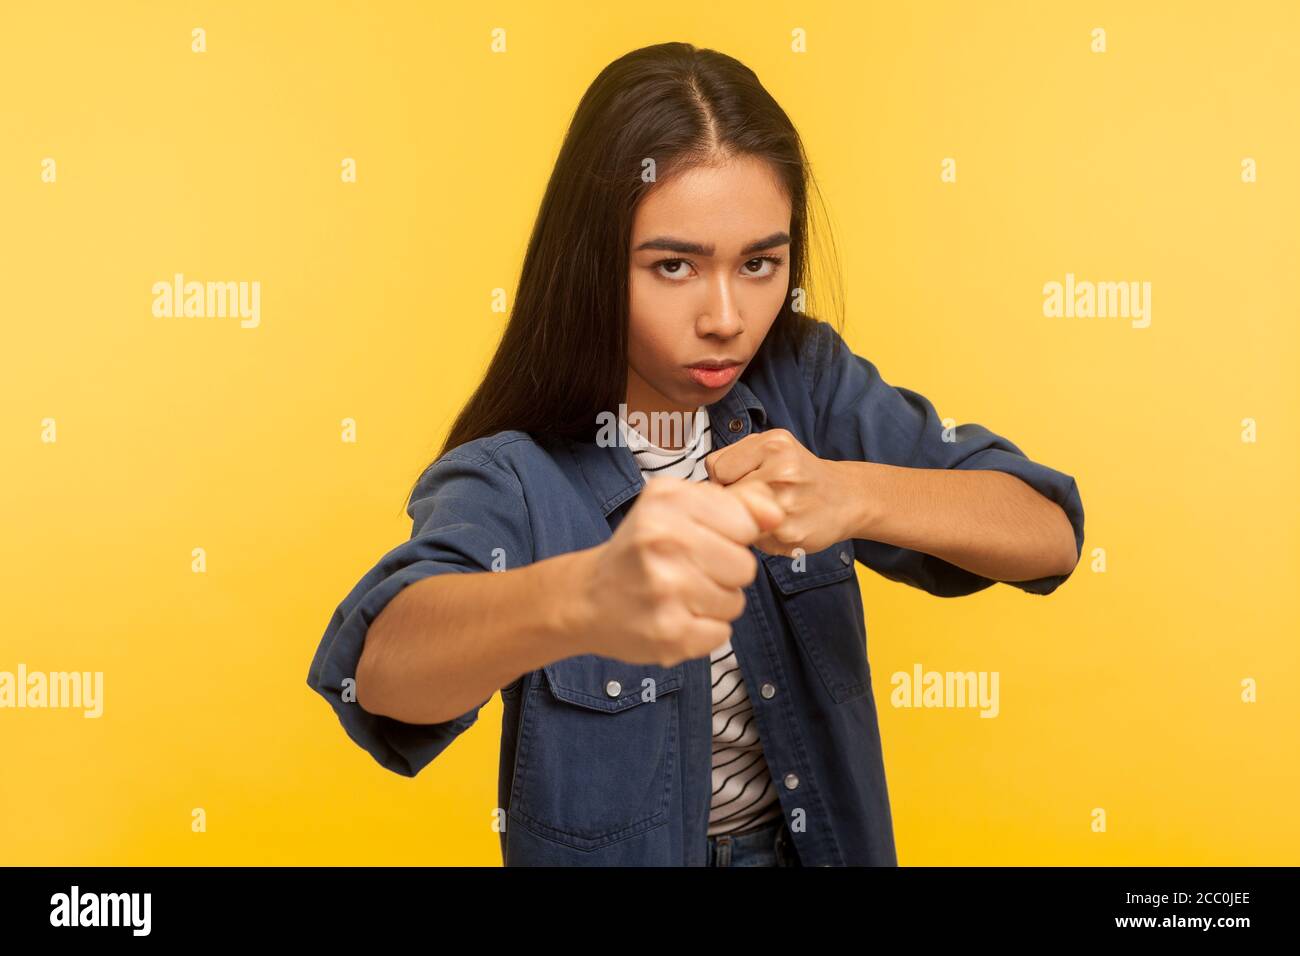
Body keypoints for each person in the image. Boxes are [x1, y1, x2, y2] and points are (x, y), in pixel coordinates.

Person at [305, 41, 1085, 867]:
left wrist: (854, 493)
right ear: (594, 266)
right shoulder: (515, 474)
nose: (726, 316)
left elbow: (1048, 533)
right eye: (674, 265)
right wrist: (583, 595)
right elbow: (381, 675)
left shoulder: (806, 383)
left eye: (760, 263)